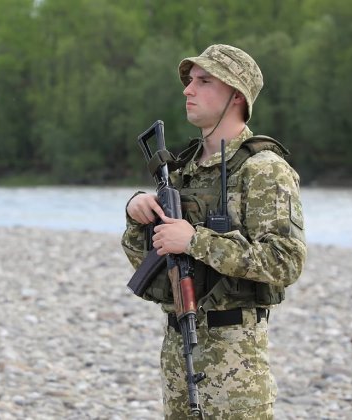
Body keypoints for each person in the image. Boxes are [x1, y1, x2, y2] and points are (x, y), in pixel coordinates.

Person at [121, 44, 307, 419]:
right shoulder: (182, 170)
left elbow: (285, 261)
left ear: (236, 95)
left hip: (234, 362)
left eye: (203, 81)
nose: (188, 90)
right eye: (190, 81)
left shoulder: (263, 169)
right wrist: (136, 218)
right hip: (177, 351)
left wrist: (195, 240)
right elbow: (149, 262)